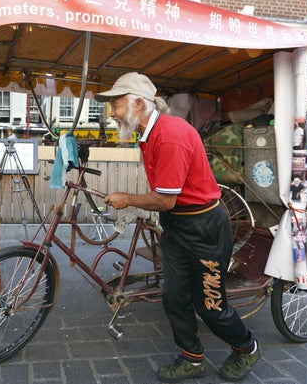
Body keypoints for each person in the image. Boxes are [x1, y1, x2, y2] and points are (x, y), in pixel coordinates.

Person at [97, 72, 260, 383]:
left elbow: (165, 200)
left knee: (210, 305)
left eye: (116, 105)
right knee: (173, 297)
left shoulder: (170, 135)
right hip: (178, 228)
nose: (112, 113)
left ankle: (247, 348)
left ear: (138, 104)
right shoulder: (149, 133)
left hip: (205, 230)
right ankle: (192, 359)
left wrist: (127, 199)